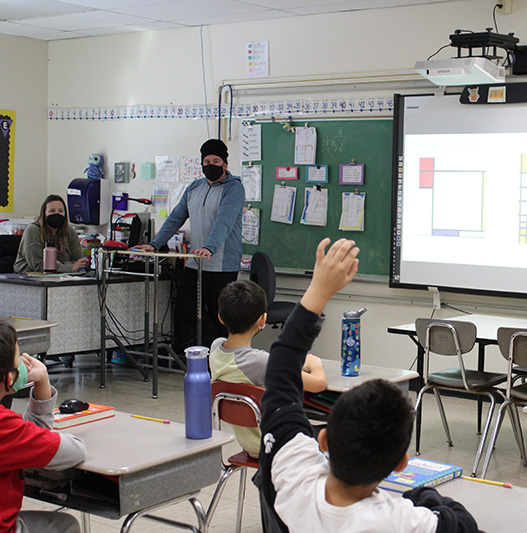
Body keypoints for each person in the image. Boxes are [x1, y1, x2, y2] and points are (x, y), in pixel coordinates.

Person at [256, 238, 478, 533]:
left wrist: (319, 290)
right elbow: (462, 525)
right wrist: (421, 495)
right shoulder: (400, 521)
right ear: (401, 464)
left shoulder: (293, 473)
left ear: (323, 440)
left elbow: (281, 368)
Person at [133, 139, 245, 347]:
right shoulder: (194, 188)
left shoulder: (234, 188)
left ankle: (220, 358)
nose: (211, 165)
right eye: (207, 161)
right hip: (196, 262)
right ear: (201, 164)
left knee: (219, 315)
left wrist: (210, 247)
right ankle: (210, 352)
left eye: (216, 160)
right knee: (185, 307)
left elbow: (225, 222)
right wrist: (156, 244)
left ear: (225, 165)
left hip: (222, 265)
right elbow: (176, 218)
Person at [210, 279, 327, 458]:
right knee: (340, 432)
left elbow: (267, 362)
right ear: (263, 320)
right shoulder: (260, 362)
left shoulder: (216, 349)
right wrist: (315, 364)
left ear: (220, 317)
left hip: (250, 444)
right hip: (277, 444)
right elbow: (318, 384)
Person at [0, 321, 87, 533]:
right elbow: (74, 451)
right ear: (10, 377)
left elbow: (28, 440)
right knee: (65, 526)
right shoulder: (5, 428)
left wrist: (41, 382)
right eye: (18, 358)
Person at [14, 194, 91, 274]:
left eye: (60, 211)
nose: (57, 214)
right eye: (52, 211)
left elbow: (78, 262)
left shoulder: (69, 231)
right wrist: (70, 267)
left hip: (63, 277)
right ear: (44, 214)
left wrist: (61, 266)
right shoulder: (32, 230)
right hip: (29, 279)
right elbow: (38, 266)